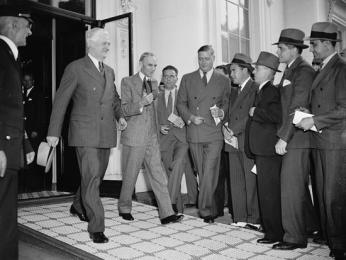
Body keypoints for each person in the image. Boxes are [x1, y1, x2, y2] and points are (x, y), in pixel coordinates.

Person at [46, 28, 126, 243]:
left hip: (105, 133)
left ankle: (78, 205)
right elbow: (61, 101)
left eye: (109, 43)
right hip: (84, 132)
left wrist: (120, 116)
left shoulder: (109, 71)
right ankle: (96, 227)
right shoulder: (75, 68)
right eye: (104, 43)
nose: (108, 47)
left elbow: (114, 99)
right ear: (90, 43)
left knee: (96, 177)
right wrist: (53, 132)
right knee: (91, 178)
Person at [296, 22, 346, 260]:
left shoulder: (342, 68)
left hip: (334, 141)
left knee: (333, 195)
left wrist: (315, 119)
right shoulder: (324, 68)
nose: (311, 49)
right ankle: (328, 234)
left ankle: (339, 243)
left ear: (327, 44)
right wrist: (307, 112)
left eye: (314, 44)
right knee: (321, 191)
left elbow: (343, 109)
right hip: (320, 140)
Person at [119, 52, 184, 225]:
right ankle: (124, 207)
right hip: (135, 136)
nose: (153, 69)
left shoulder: (155, 83)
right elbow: (124, 109)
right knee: (130, 175)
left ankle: (167, 213)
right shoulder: (127, 81)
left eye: (155, 66)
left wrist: (159, 126)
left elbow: (156, 110)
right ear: (141, 64)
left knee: (158, 174)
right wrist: (141, 102)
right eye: (150, 65)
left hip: (152, 136)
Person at [271, 28, 318, 250]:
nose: (278, 52)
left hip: (297, 138)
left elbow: (298, 109)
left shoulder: (303, 71)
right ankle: (308, 226)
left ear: (293, 49)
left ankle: (294, 237)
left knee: (290, 187)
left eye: (281, 48)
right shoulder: (290, 70)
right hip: (292, 135)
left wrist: (284, 138)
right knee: (296, 187)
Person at [177, 45, 231, 223]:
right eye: (200, 59)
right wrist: (191, 117)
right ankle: (207, 206)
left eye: (206, 58)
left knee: (209, 171)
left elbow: (226, 103)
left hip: (214, 132)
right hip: (195, 130)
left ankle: (205, 209)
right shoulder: (187, 78)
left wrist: (222, 112)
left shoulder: (223, 79)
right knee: (202, 172)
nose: (203, 62)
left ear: (213, 58)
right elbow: (181, 104)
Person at [0, 6, 34, 259]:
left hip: (9, 148)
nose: (30, 32)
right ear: (12, 25)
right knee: (4, 214)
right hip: (2, 150)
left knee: (7, 212)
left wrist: (24, 146)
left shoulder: (9, 57)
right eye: (27, 26)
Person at [245, 51, 283, 244]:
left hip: (268, 152)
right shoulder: (262, 89)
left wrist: (256, 111)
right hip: (262, 150)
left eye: (257, 68)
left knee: (269, 193)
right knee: (265, 192)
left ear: (268, 71)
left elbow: (277, 115)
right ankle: (270, 229)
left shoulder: (272, 91)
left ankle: (274, 233)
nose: (254, 71)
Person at [223, 53, 260, 230]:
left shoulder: (256, 88)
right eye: (230, 71)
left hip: (246, 141)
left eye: (234, 70)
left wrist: (233, 130)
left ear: (246, 70)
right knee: (236, 181)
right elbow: (227, 114)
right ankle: (240, 217)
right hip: (231, 141)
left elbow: (251, 115)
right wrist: (225, 127)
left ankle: (253, 219)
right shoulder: (233, 91)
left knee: (250, 181)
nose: (231, 74)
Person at [156, 65, 197, 213]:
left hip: (182, 139)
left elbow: (192, 116)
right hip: (164, 140)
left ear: (176, 78)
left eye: (171, 76)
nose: (168, 79)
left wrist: (184, 120)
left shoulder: (185, 96)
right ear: (162, 78)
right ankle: (176, 211)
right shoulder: (156, 97)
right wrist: (159, 127)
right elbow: (151, 119)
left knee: (178, 163)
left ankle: (169, 203)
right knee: (171, 174)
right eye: (165, 76)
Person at [20, 72, 46, 192]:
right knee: (26, 158)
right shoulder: (22, 94)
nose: (26, 83)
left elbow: (41, 114)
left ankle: (35, 187)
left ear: (33, 81)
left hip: (33, 133)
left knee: (34, 159)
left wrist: (36, 129)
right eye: (24, 81)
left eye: (28, 81)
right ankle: (26, 184)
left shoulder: (37, 94)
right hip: (23, 132)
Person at [214, 64, 232, 217]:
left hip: (232, 138)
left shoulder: (234, 91)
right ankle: (217, 209)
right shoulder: (213, 94)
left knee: (233, 175)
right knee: (218, 175)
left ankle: (234, 208)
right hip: (217, 139)